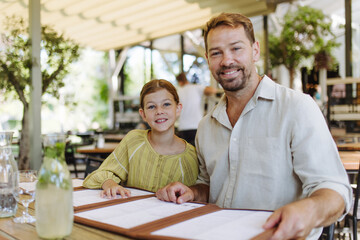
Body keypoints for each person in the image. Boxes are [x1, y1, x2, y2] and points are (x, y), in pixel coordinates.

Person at [155, 12, 351, 240]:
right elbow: (209, 186)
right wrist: (193, 192)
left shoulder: (297, 107)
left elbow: (335, 190)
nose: (227, 60)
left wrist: (309, 212)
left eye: (236, 48)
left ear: (255, 51)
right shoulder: (206, 126)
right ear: (208, 59)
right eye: (216, 53)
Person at [83, 79, 199, 198]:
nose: (159, 111)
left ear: (178, 108)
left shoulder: (192, 156)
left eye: (166, 104)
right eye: (151, 106)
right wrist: (110, 184)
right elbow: (99, 174)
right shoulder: (133, 140)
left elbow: (198, 196)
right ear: (143, 114)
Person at [176, 72, 217, 146]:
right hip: (196, 126)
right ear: (186, 79)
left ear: (180, 82)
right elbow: (213, 90)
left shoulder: (178, 91)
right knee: (197, 153)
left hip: (182, 127)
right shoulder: (196, 87)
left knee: (185, 154)